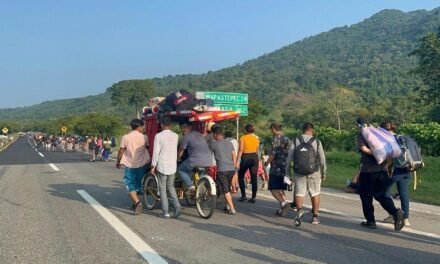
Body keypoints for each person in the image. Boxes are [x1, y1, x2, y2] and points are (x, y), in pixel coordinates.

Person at [355, 116, 404, 231]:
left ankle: (370, 221)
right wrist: (386, 165)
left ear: (359, 125)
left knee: (366, 196)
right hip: (382, 171)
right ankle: (396, 213)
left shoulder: (362, 134)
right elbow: (389, 151)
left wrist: (377, 154)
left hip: (368, 171)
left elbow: (363, 149)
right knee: (381, 195)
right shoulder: (378, 133)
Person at [286, 123, 326, 226]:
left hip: (299, 172)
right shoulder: (317, 141)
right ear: (312, 130)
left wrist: (288, 172)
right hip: (314, 172)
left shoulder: (296, 140)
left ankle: (299, 211)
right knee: (315, 193)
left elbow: (289, 158)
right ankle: (315, 217)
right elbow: (322, 159)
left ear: (302, 130)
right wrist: (324, 172)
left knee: (299, 192)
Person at [116, 119, 150, 215]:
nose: (143, 128)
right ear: (139, 127)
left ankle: (137, 202)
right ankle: (135, 203)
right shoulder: (144, 137)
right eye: (142, 126)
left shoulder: (125, 137)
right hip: (141, 164)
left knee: (129, 184)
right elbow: (147, 147)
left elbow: (121, 150)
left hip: (129, 164)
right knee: (138, 184)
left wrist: (118, 161)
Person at [150, 117, 182, 219]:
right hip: (172, 165)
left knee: (162, 189)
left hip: (162, 165)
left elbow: (156, 152)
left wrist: (153, 166)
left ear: (162, 125)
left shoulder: (158, 136)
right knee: (171, 186)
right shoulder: (176, 135)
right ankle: (177, 204)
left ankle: (166, 212)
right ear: (170, 125)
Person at [381, 122, 412, 227]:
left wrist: (385, 167)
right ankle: (406, 218)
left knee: (384, 190)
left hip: (399, 170)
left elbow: (389, 159)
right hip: (409, 169)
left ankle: (394, 213)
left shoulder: (389, 140)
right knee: (403, 194)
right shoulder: (401, 138)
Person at [177, 121, 213, 192]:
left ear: (190, 127)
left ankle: (190, 186)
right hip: (208, 161)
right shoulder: (199, 134)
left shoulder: (186, 137)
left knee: (181, 169)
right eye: (182, 128)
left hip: (196, 160)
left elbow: (181, 150)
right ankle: (200, 190)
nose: (183, 129)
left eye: (185, 127)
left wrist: (178, 158)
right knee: (199, 174)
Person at [265, 122, 291, 216]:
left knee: (273, 188)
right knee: (281, 189)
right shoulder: (287, 139)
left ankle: (283, 203)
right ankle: (282, 210)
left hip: (276, 167)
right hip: (285, 167)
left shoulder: (276, 139)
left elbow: (273, 154)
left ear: (273, 128)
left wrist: (267, 162)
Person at [211, 127, 237, 215]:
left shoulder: (214, 144)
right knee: (227, 187)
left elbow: (208, 155)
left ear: (215, 135)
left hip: (222, 170)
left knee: (226, 190)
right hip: (231, 169)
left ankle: (232, 208)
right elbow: (234, 155)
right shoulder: (230, 143)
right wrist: (234, 167)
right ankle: (227, 206)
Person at [237, 124, 260, 203]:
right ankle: (253, 197)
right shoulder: (256, 139)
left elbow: (240, 150)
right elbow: (257, 150)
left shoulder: (242, 138)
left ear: (245, 130)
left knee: (240, 176)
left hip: (245, 157)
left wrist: (237, 161)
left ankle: (243, 196)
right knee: (254, 177)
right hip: (254, 157)